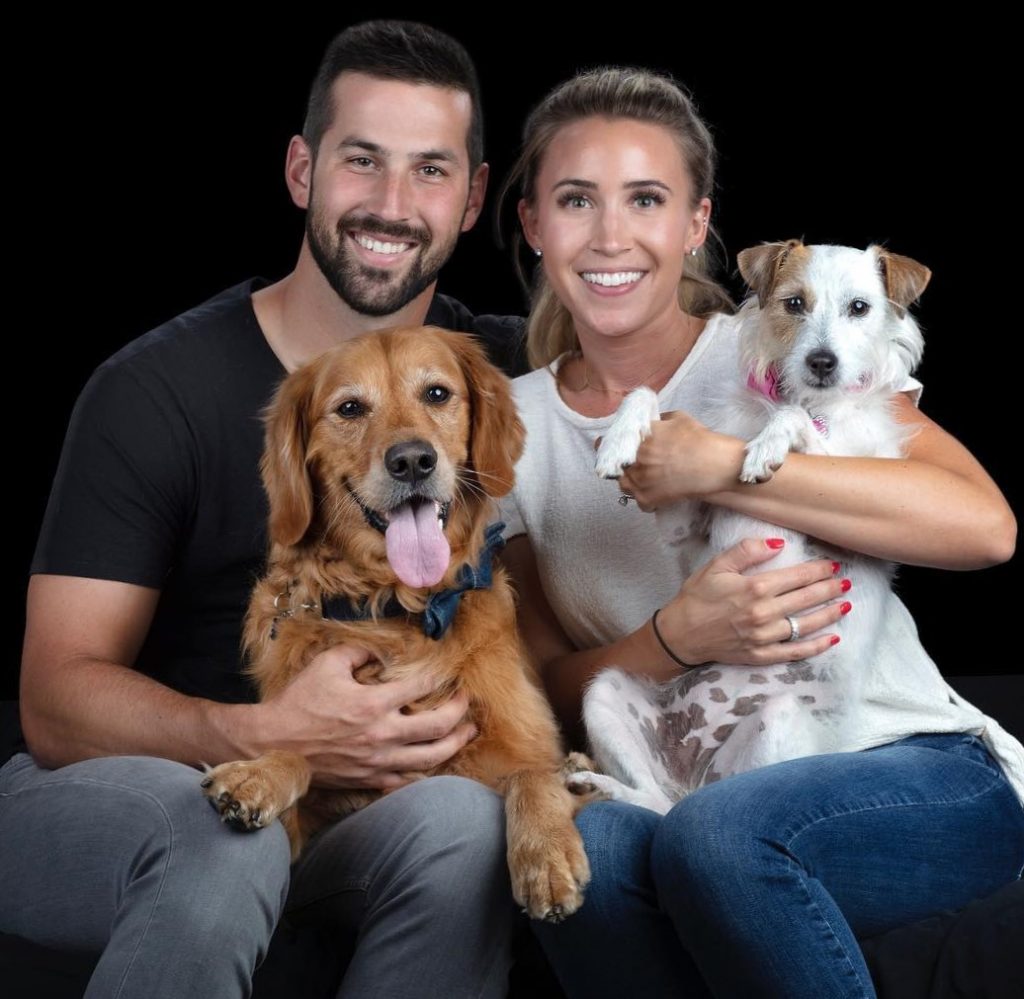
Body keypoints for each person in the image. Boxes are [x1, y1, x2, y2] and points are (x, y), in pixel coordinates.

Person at [2, 20, 526, 999]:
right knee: (223, 831)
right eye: (361, 162)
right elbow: (54, 704)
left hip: (347, 822)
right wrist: (264, 736)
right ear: (301, 169)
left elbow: (732, 366)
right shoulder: (155, 390)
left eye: (429, 172)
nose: (392, 205)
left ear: (472, 200)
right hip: (127, 795)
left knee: (464, 826)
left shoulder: (493, 374)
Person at [497, 67, 1024, 998]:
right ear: (535, 224)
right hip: (699, 750)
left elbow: (985, 527)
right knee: (592, 844)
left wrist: (716, 469)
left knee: (719, 834)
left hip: (899, 754)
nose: (611, 235)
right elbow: (548, 687)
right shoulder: (508, 424)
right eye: (576, 200)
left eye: (646, 199)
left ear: (696, 224)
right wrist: (674, 638)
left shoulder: (795, 360)